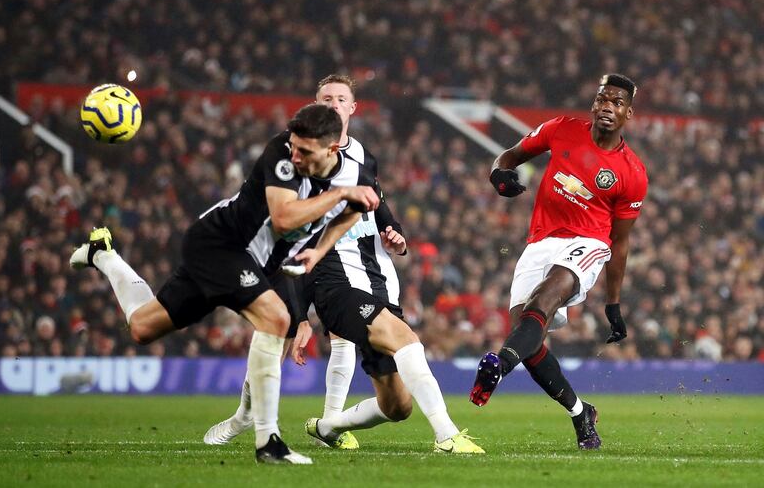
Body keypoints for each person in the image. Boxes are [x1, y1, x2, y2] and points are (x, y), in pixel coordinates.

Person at [70, 104, 380, 464]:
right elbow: (282, 219)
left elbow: (351, 212)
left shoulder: (354, 173)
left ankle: (102, 255)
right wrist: (340, 195)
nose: (295, 154)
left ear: (330, 150)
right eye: (294, 146)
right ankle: (268, 442)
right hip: (219, 246)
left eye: (305, 151)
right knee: (276, 320)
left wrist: (320, 249)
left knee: (141, 327)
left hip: (259, 263)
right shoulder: (280, 154)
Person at [204, 75, 483, 454]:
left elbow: (378, 200)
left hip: (380, 280)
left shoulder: (363, 156)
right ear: (316, 107)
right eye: (326, 98)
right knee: (393, 339)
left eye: (341, 98)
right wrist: (301, 314)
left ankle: (327, 425)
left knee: (397, 405)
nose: (334, 104)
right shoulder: (296, 162)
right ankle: (447, 435)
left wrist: (393, 230)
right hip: (333, 278)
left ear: (352, 108)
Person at [470, 74, 648, 450]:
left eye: (616, 103)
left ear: (627, 113)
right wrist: (499, 175)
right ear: (593, 105)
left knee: (545, 300)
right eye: (602, 100)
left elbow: (621, 240)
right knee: (528, 335)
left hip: (589, 242)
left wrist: (613, 302)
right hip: (541, 241)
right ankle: (581, 413)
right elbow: (509, 157)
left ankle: (498, 367)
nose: (607, 107)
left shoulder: (632, 173)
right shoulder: (561, 130)